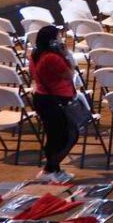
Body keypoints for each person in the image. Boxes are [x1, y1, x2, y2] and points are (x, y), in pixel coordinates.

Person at [30, 25, 79, 182]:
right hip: (54, 100)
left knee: (54, 136)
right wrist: (66, 54)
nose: (60, 40)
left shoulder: (35, 54)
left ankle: (54, 170)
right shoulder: (52, 57)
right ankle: (49, 169)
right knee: (69, 135)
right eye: (58, 37)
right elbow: (70, 74)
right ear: (52, 41)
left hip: (43, 98)